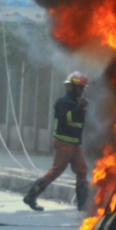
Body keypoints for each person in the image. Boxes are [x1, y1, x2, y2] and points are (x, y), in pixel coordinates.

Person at [24, 72, 90, 211]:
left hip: (74, 143)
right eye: (80, 87)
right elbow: (67, 119)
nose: (82, 90)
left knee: (82, 170)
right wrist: (80, 108)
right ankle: (31, 196)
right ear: (72, 87)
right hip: (64, 143)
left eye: (83, 88)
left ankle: (82, 204)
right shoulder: (64, 102)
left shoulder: (74, 102)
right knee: (55, 172)